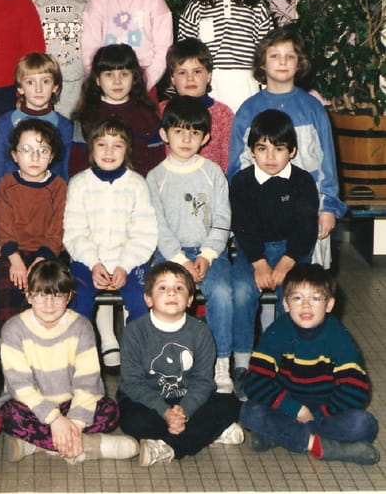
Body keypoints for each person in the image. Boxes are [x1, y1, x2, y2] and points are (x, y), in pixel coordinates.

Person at [228, 26, 347, 268]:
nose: (282, 62)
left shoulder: (313, 108)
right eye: (274, 55)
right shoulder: (247, 110)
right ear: (262, 63)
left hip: (306, 214)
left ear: (299, 63)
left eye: (290, 56)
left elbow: (327, 164)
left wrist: (328, 208)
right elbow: (236, 169)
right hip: (259, 215)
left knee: (305, 282)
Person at [0, 259, 139, 463]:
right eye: (40, 295)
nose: (49, 304)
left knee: (110, 411)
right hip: (33, 406)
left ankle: (37, 445)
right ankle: (90, 446)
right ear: (28, 296)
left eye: (57, 296)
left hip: (71, 403)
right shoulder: (13, 329)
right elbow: (20, 387)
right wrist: (54, 420)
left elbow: (88, 382)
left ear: (69, 296)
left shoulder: (81, 326)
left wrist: (74, 423)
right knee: (9, 415)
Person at [240, 264, 380, 465]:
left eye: (315, 298)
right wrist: (295, 409)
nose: (306, 306)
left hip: (326, 410)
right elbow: (254, 380)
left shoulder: (338, 337)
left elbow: (356, 389)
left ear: (329, 305)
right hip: (287, 407)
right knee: (249, 412)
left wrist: (318, 415)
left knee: (364, 424)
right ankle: (321, 445)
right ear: (286, 304)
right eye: (297, 298)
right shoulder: (278, 331)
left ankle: (280, 436)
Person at [146, 97, 233, 392]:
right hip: (170, 253)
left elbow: (222, 218)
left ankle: (220, 362)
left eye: (194, 132)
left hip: (210, 252)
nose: (186, 139)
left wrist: (207, 255)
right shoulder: (156, 177)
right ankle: (166, 362)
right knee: (167, 294)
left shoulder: (213, 173)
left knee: (222, 292)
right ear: (164, 134)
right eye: (179, 131)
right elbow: (158, 224)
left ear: (205, 138)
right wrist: (180, 259)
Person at [118, 261, 243, 466]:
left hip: (187, 400)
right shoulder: (134, 331)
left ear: (190, 299)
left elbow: (203, 382)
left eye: (179, 288)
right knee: (132, 419)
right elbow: (132, 383)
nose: (171, 293)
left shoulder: (200, 331)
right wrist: (166, 412)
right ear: (148, 299)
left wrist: (183, 411)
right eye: (162, 288)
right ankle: (207, 433)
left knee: (230, 404)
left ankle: (168, 447)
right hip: (149, 401)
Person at [230, 109, 319, 396]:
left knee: (293, 296)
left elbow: (306, 229)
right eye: (262, 148)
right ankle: (243, 364)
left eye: (278, 148)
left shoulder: (303, 181)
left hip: (292, 252)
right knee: (242, 292)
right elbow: (242, 228)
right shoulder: (241, 182)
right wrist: (258, 263)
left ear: (292, 151)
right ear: (251, 151)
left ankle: (285, 362)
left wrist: (286, 262)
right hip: (252, 251)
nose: (270, 156)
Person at [64, 116, 158, 371]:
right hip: (87, 261)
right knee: (77, 302)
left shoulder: (137, 184)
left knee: (143, 301)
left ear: (127, 150)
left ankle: (136, 362)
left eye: (117, 145)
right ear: (91, 148)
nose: (109, 152)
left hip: (129, 261)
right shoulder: (80, 183)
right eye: (102, 144)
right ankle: (80, 363)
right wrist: (93, 264)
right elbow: (74, 233)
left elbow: (144, 233)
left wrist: (124, 265)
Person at [178, 0, 273, 112]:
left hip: (246, 85)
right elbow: (184, 53)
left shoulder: (257, 7)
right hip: (209, 86)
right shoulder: (196, 7)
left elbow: (267, 51)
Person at [0, 119, 68, 334]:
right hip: (14, 253)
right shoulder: (7, 184)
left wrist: (40, 259)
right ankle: (8, 344)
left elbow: (57, 229)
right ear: (14, 155)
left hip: (48, 254)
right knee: (8, 296)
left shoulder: (59, 186)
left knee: (49, 292)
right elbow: (4, 225)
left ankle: (49, 342)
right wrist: (15, 259)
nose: (35, 157)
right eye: (26, 150)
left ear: (51, 156)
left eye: (42, 150)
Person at [69, 44, 163, 177]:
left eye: (124, 74)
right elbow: (77, 167)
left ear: (134, 78)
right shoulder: (85, 116)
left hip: (138, 188)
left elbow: (157, 168)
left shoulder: (148, 117)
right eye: (109, 75)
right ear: (97, 79)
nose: (117, 81)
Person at [0, 52, 73, 182]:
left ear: (55, 87)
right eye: (30, 82)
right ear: (20, 88)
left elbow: (65, 172)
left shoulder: (65, 126)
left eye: (45, 81)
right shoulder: (3, 124)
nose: (38, 89)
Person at [159, 38, 233, 172]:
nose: (190, 78)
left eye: (197, 71)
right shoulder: (160, 111)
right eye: (182, 72)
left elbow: (228, 162)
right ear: (172, 78)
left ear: (209, 75)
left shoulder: (223, 114)